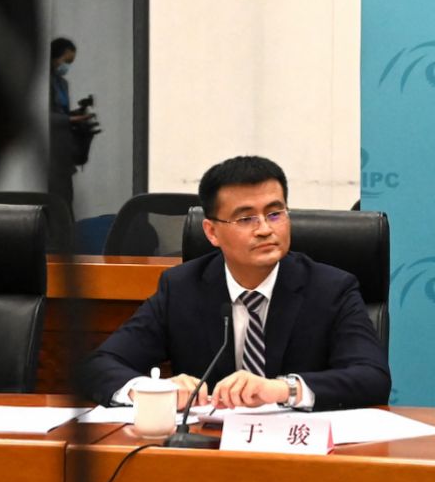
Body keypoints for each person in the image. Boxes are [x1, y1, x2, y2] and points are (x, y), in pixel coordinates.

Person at [76, 155, 391, 411]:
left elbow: (371, 377)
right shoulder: (182, 288)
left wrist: (282, 388)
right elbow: (98, 366)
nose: (265, 229)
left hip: (303, 453)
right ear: (212, 232)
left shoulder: (330, 288)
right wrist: (154, 389)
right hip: (210, 451)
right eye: (246, 219)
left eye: (275, 213)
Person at [46, 37, 94, 212]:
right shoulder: (45, 83)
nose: (67, 66)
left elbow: (61, 112)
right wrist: (69, 119)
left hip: (64, 151)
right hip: (51, 152)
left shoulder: (62, 84)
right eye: (65, 61)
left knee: (66, 202)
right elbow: (45, 115)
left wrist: (76, 115)